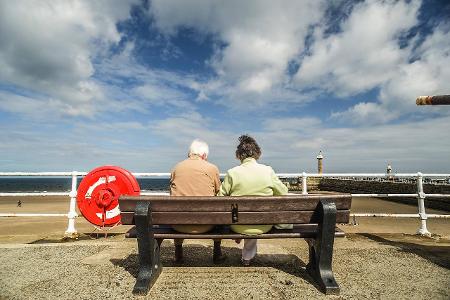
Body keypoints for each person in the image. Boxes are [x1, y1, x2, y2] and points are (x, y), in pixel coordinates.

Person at [219, 135, 289, 266]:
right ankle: (247, 257)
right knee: (256, 218)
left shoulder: (233, 172)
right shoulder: (268, 171)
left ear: (239, 155)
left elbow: (220, 199)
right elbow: (284, 193)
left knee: (242, 216)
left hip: (237, 224)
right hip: (264, 224)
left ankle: (244, 246)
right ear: (257, 153)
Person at [170, 139, 224, 263]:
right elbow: (218, 192)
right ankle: (217, 253)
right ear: (204, 155)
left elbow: (173, 194)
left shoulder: (176, 168)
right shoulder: (212, 168)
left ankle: (178, 254)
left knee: (176, 208)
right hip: (206, 225)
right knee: (220, 211)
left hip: (178, 224)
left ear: (189, 153)